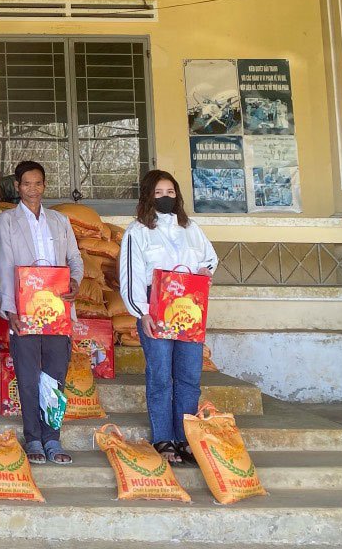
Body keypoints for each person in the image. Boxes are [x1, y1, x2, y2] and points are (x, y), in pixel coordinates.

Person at [119, 169, 218, 466]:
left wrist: (205, 271)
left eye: (170, 192)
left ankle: (186, 438)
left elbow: (210, 258)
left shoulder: (190, 228)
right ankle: (163, 437)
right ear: (148, 196)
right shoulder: (137, 231)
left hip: (189, 306)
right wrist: (142, 312)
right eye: (159, 193)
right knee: (161, 375)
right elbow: (132, 275)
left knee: (189, 375)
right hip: (155, 305)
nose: (165, 197)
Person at [0, 161, 83, 466]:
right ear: (17, 187)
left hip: (57, 310)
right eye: (27, 184)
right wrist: (10, 309)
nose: (33, 189)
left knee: (55, 376)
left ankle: (52, 438)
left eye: (38, 183)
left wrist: (75, 282)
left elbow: (75, 258)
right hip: (24, 309)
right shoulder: (7, 221)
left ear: (45, 186)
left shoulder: (59, 220)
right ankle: (33, 437)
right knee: (28, 377)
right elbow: (5, 264)